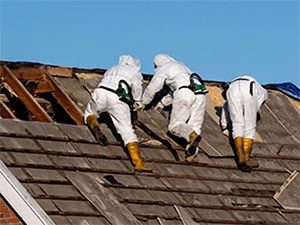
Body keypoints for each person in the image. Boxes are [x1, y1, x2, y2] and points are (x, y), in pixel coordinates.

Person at [83, 55, 152, 172]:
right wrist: (137, 101)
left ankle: (94, 123)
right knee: (126, 130)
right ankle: (138, 163)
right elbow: (137, 87)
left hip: (100, 92)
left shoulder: (112, 68)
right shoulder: (134, 71)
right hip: (117, 98)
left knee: (90, 113)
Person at [141, 53, 208, 162]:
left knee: (175, 126)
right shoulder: (182, 66)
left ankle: (191, 135)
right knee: (195, 125)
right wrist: (163, 103)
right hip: (200, 94)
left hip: (184, 93)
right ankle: (191, 155)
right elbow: (174, 91)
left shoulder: (163, 68)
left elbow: (152, 88)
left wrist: (143, 102)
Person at [226, 75, 268, 172]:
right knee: (250, 125)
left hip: (232, 88)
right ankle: (246, 159)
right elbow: (255, 109)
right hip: (248, 87)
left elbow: (227, 108)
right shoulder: (264, 94)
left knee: (237, 124)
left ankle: (240, 157)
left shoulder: (231, 88)